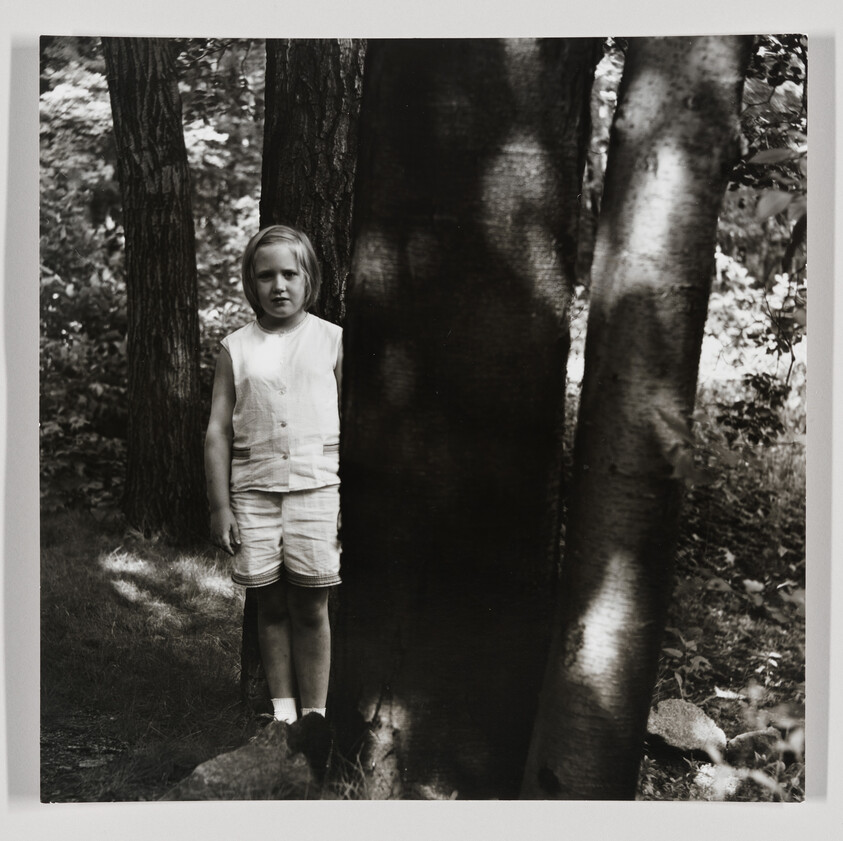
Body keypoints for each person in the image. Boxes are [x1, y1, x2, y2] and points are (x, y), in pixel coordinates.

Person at [205, 225, 342, 725]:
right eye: (267, 276)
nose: (279, 285)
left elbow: (354, 424)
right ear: (251, 282)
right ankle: (282, 718)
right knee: (270, 607)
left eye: (290, 273)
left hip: (318, 491)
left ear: (309, 279)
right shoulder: (236, 348)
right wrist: (220, 505)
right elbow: (218, 430)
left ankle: (316, 717)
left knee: (311, 608)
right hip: (254, 495)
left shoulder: (332, 341)